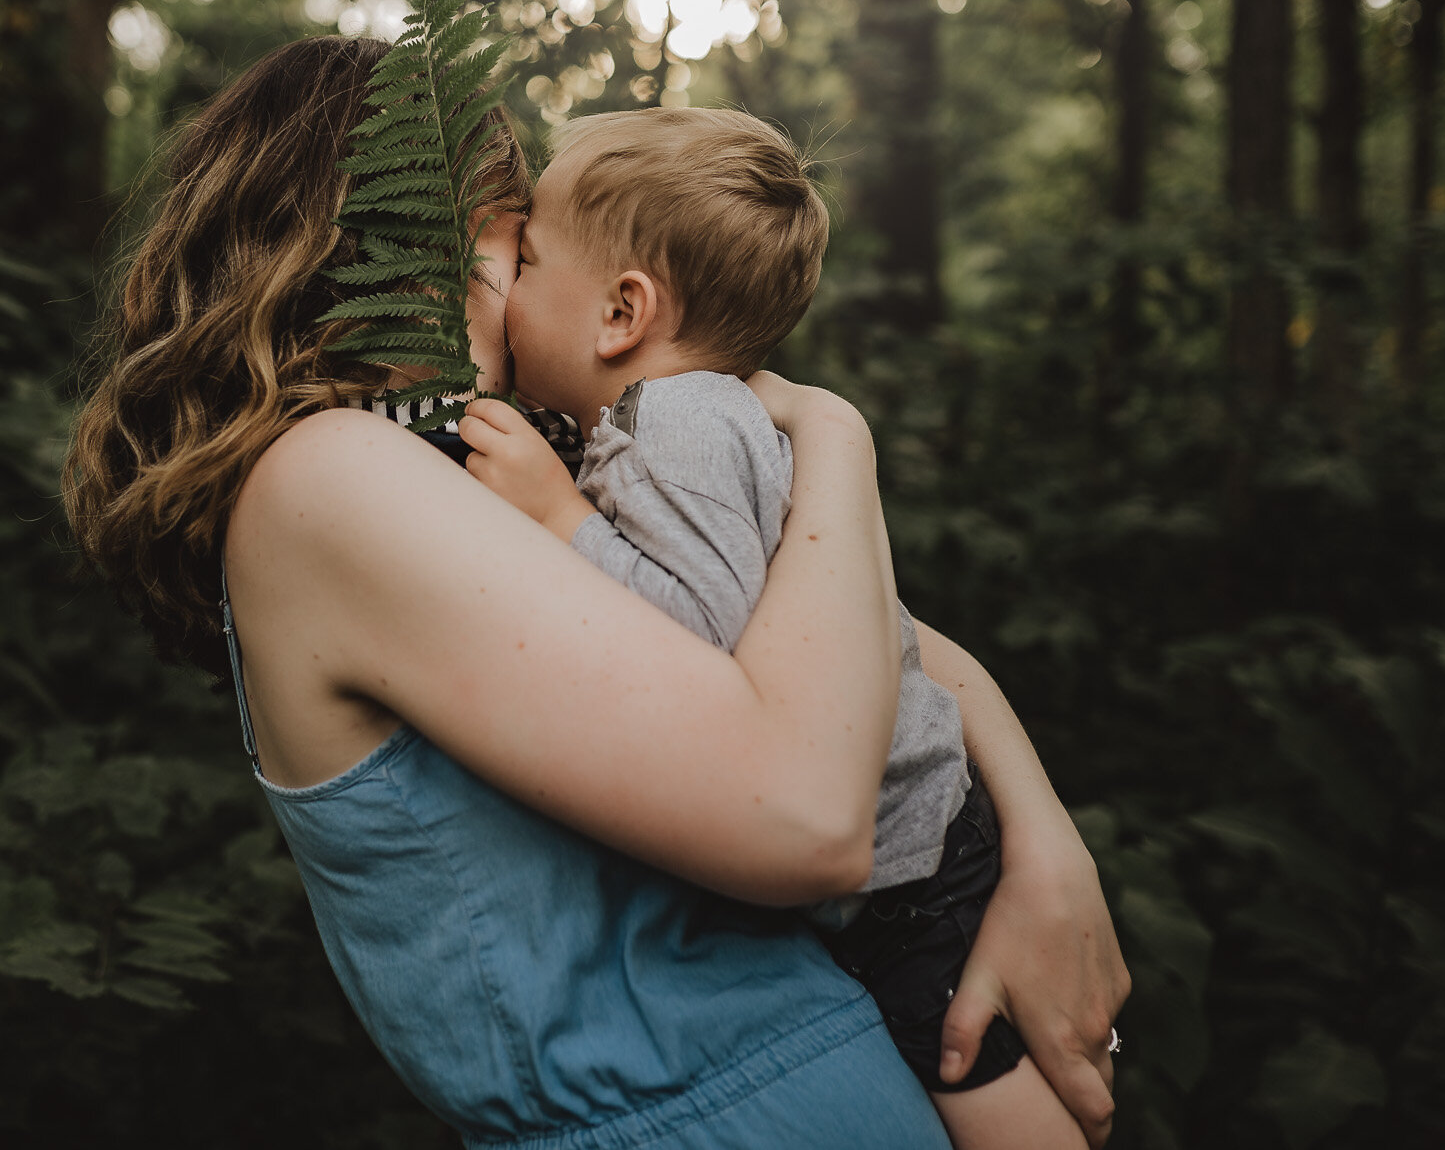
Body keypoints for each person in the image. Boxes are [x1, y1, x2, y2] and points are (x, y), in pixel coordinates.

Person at [65, 35, 1129, 1150]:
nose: (519, 302)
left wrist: (1046, 847)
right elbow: (808, 816)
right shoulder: (327, 476)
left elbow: (881, 651)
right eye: (506, 255)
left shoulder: (466, 471)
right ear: (385, 250)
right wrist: (833, 431)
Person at [458, 106, 1086, 1149]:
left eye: (525, 259)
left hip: (913, 870)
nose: (505, 286)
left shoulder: (674, 430)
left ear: (621, 311)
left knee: (985, 1081)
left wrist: (557, 517)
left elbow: (702, 639)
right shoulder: (676, 418)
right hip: (900, 855)